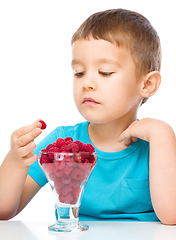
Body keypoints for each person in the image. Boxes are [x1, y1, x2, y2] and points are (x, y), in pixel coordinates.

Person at [0, 8, 176, 225]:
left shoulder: (156, 145)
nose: (87, 83)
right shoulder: (62, 142)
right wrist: (16, 161)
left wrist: (162, 134)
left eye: (105, 72)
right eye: (79, 73)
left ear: (147, 84)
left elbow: (171, 216)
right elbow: (3, 210)